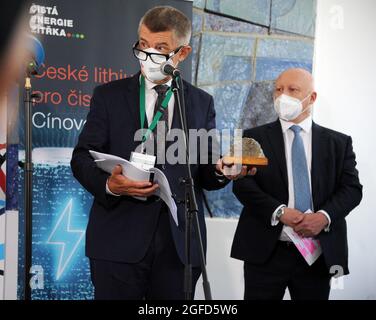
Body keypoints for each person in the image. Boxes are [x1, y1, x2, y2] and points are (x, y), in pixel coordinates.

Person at [71, 6, 250, 300]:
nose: (148, 55)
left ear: (182, 53)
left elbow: (205, 171)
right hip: (117, 239)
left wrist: (221, 170)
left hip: (178, 245)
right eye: (143, 45)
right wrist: (109, 185)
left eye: (160, 48)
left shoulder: (200, 103)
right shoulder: (108, 95)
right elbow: (81, 159)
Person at [231, 68, 362, 300]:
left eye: (293, 90)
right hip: (265, 252)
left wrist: (323, 217)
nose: (283, 96)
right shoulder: (250, 137)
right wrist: (279, 212)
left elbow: (352, 190)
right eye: (279, 89)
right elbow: (242, 186)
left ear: (311, 98)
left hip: (317, 254)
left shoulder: (339, 143)